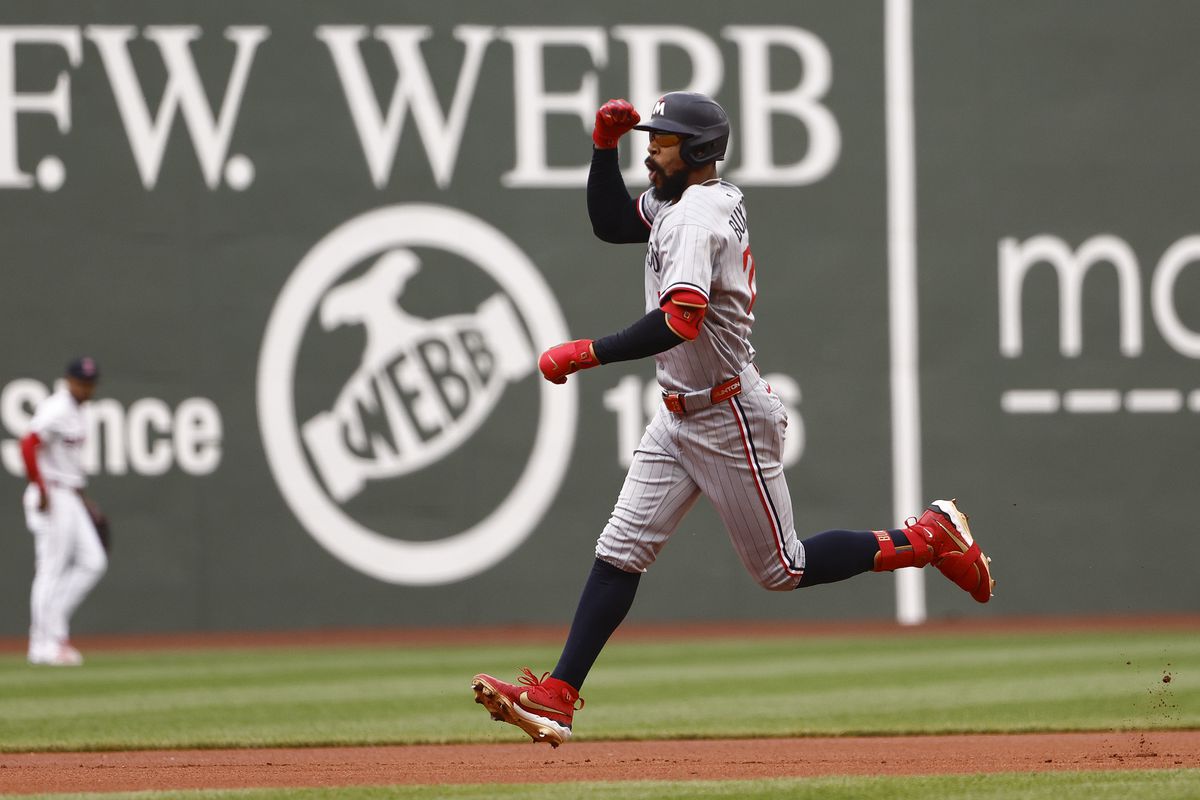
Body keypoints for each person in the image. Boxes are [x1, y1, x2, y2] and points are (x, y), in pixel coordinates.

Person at [471, 93, 994, 746]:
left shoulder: (695, 217)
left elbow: (678, 321)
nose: (650, 145)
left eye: (662, 139)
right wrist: (602, 148)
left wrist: (587, 354)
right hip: (678, 413)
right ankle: (559, 695)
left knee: (783, 568)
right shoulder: (679, 199)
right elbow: (609, 221)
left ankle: (927, 539)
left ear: (695, 151)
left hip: (725, 415)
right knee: (620, 551)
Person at [20, 356, 108, 666]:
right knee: (51, 570)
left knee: (93, 562)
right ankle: (41, 645)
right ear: (69, 380)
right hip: (52, 493)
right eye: (81, 381)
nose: (86, 387)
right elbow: (28, 444)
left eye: (90, 382)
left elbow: (68, 462)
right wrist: (41, 488)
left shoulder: (78, 411)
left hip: (69, 493)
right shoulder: (57, 407)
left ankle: (54, 628)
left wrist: (84, 500)